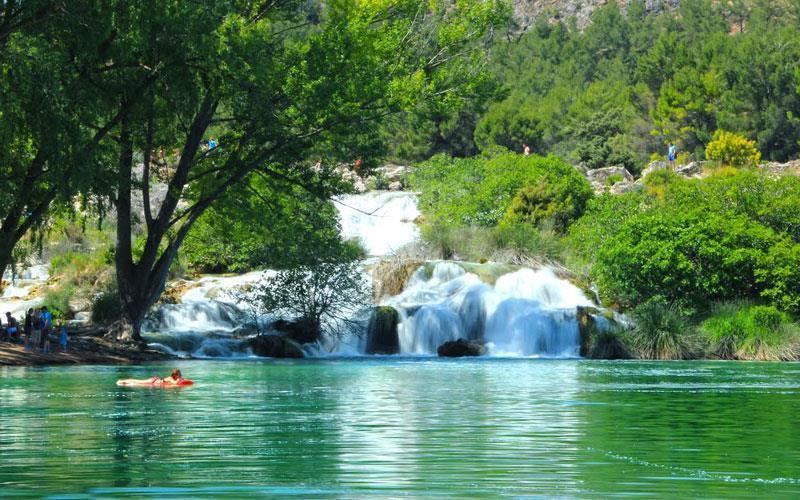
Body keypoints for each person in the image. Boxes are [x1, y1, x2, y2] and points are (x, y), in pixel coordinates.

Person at [116, 369, 190, 387]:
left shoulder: (174, 378)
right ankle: (122, 381)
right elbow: (175, 383)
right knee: (138, 381)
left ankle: (125, 382)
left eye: (180, 374)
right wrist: (179, 380)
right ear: (175, 375)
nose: (180, 375)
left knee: (137, 383)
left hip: (156, 381)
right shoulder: (171, 378)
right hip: (153, 381)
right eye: (179, 374)